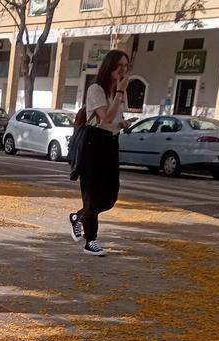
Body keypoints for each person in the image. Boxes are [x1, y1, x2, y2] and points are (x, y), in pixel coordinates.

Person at [68, 50, 130, 257]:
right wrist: (119, 93)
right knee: (92, 193)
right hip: (93, 143)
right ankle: (90, 240)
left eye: (125, 66)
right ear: (110, 66)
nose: (122, 70)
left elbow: (113, 121)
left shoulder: (119, 92)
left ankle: (79, 217)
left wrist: (122, 124)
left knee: (110, 196)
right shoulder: (96, 89)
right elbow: (104, 118)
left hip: (111, 143)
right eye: (119, 65)